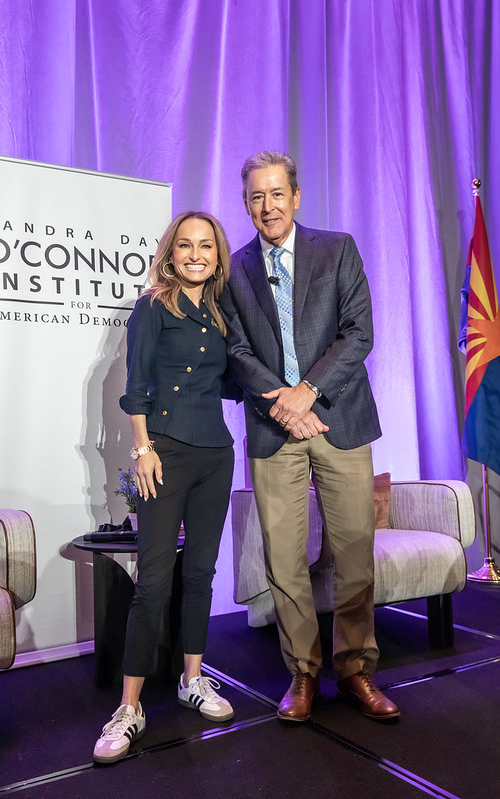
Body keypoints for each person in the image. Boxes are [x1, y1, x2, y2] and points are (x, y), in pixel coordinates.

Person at [219, 151, 399, 723]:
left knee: (354, 553)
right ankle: (302, 673)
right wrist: (285, 403)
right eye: (256, 197)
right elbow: (236, 351)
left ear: (296, 196)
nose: (267, 206)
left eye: (276, 194)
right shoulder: (233, 268)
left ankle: (355, 670)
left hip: (340, 420)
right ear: (245, 204)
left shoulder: (338, 248)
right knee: (284, 561)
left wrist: (309, 392)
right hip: (275, 430)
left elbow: (359, 332)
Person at [93, 211, 236, 764]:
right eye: (185, 245)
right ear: (171, 252)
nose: (195, 254)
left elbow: (230, 381)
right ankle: (129, 707)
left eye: (206, 246)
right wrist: (143, 449)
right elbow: (135, 386)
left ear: (217, 254)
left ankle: (192, 680)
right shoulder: (154, 304)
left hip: (215, 455)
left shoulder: (224, 314)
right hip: (166, 453)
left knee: (199, 573)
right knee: (153, 581)